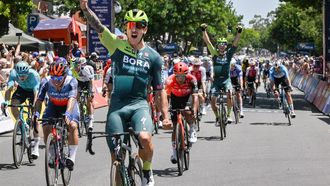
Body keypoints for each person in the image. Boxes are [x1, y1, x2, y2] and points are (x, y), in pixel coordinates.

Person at [80, 1, 171, 185]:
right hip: (117, 107)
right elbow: (98, 26)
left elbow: (160, 90)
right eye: (130, 25)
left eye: (139, 25)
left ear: (145, 29)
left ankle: (146, 170)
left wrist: (166, 116)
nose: (134, 29)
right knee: (117, 158)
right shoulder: (116, 44)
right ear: (126, 28)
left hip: (139, 105)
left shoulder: (154, 57)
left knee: (145, 138)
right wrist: (85, 9)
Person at [34, 57, 80, 171]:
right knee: (46, 126)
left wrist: (68, 113)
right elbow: (39, 100)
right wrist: (35, 114)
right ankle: (52, 154)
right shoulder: (46, 81)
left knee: (72, 126)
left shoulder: (72, 81)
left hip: (68, 105)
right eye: (53, 77)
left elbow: (72, 98)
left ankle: (72, 156)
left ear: (64, 75)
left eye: (59, 78)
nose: (56, 81)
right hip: (53, 105)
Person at [200, 23, 242, 124]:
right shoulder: (214, 53)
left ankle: (228, 115)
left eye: (223, 44)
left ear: (226, 46)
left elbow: (235, 43)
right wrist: (203, 30)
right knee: (213, 99)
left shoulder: (228, 55)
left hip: (226, 80)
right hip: (216, 81)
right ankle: (218, 117)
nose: (222, 46)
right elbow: (208, 42)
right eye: (220, 44)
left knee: (229, 94)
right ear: (217, 46)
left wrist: (239, 32)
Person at [1, 61, 41, 159]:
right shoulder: (13, 73)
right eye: (20, 76)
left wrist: (34, 107)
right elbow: (10, 88)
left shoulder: (34, 75)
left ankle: (36, 147)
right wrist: (6, 101)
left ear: (28, 72)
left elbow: (36, 94)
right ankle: (22, 123)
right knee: (13, 105)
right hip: (22, 90)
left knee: (35, 118)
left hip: (33, 92)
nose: (22, 77)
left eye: (24, 75)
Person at [165, 62, 199, 163]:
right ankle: (174, 153)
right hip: (175, 98)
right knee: (175, 126)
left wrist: (194, 111)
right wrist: (166, 111)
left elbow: (195, 96)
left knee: (189, 112)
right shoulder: (169, 80)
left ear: (186, 74)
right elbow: (166, 97)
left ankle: (192, 129)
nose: (180, 78)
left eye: (182, 76)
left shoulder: (192, 79)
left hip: (187, 97)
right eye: (178, 76)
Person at [71, 57, 95, 130]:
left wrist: (91, 90)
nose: (75, 68)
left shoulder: (85, 69)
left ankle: (90, 118)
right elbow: (73, 81)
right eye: (74, 66)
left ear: (80, 65)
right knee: (76, 97)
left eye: (77, 66)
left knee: (89, 101)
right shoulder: (72, 70)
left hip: (88, 82)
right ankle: (78, 111)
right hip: (80, 83)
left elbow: (91, 80)